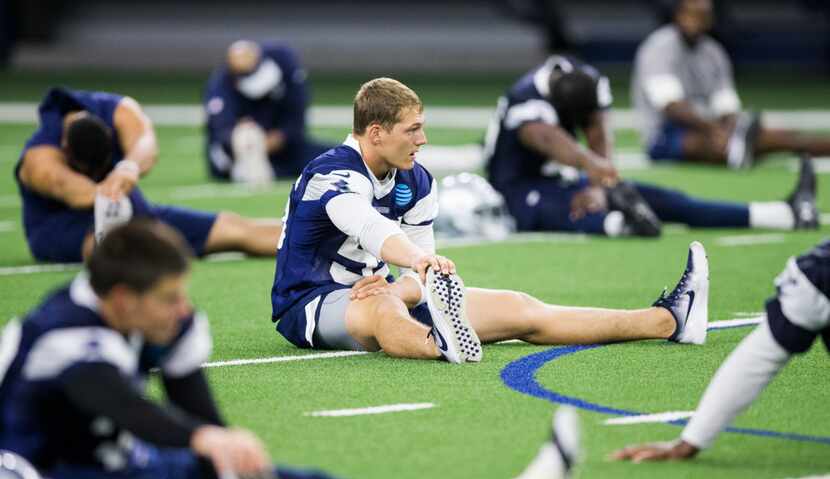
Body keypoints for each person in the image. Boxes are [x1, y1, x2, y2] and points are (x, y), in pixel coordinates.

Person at [0, 220, 581, 479]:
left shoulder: (161, 321)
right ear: (122, 299)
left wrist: (231, 463)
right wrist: (206, 440)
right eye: (168, 298)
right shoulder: (61, 332)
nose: (182, 310)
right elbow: (118, 403)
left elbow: (198, 412)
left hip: (125, 461)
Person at [271, 77, 711, 366]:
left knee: (521, 307)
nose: (422, 140)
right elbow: (371, 228)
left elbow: (417, 268)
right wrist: (416, 269)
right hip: (311, 303)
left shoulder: (416, 179)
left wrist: (409, 280)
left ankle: (668, 319)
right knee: (382, 309)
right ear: (375, 133)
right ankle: (439, 346)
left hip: (382, 293)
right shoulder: (332, 173)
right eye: (412, 130)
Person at [483, 53, 820, 237]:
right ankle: (622, 224)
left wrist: (603, 183)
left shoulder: (585, 81)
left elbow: (598, 131)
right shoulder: (526, 98)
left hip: (564, 179)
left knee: (663, 198)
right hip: (516, 190)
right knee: (564, 208)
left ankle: (783, 214)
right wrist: (593, 168)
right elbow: (546, 138)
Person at [613, 239, 829, 462]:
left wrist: (691, 440)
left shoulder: (818, 272)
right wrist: (691, 440)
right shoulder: (819, 273)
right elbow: (764, 353)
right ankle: (673, 317)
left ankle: (672, 318)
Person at [14, 87, 282, 264]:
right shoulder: (39, 158)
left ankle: (319, 238)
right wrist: (106, 190)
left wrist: (128, 167)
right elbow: (72, 191)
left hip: (134, 213)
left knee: (235, 228)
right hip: (64, 227)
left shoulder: (118, 111)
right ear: (65, 150)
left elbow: (146, 144)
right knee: (114, 251)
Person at [632, 0, 830, 168]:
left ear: (710, 19)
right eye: (690, 15)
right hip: (665, 134)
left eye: (702, 16)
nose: (694, 22)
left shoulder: (714, 53)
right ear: (678, 15)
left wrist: (732, 127)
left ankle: (743, 148)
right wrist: (716, 130)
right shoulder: (658, 48)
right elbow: (671, 107)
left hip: (713, 127)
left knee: (782, 137)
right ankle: (740, 149)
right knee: (725, 145)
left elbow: (725, 105)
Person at [204, 40, 335, 184]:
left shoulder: (283, 62)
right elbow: (221, 132)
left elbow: (296, 120)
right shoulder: (219, 89)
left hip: (286, 147)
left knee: (335, 157)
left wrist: (278, 138)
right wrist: (248, 141)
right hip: (239, 154)